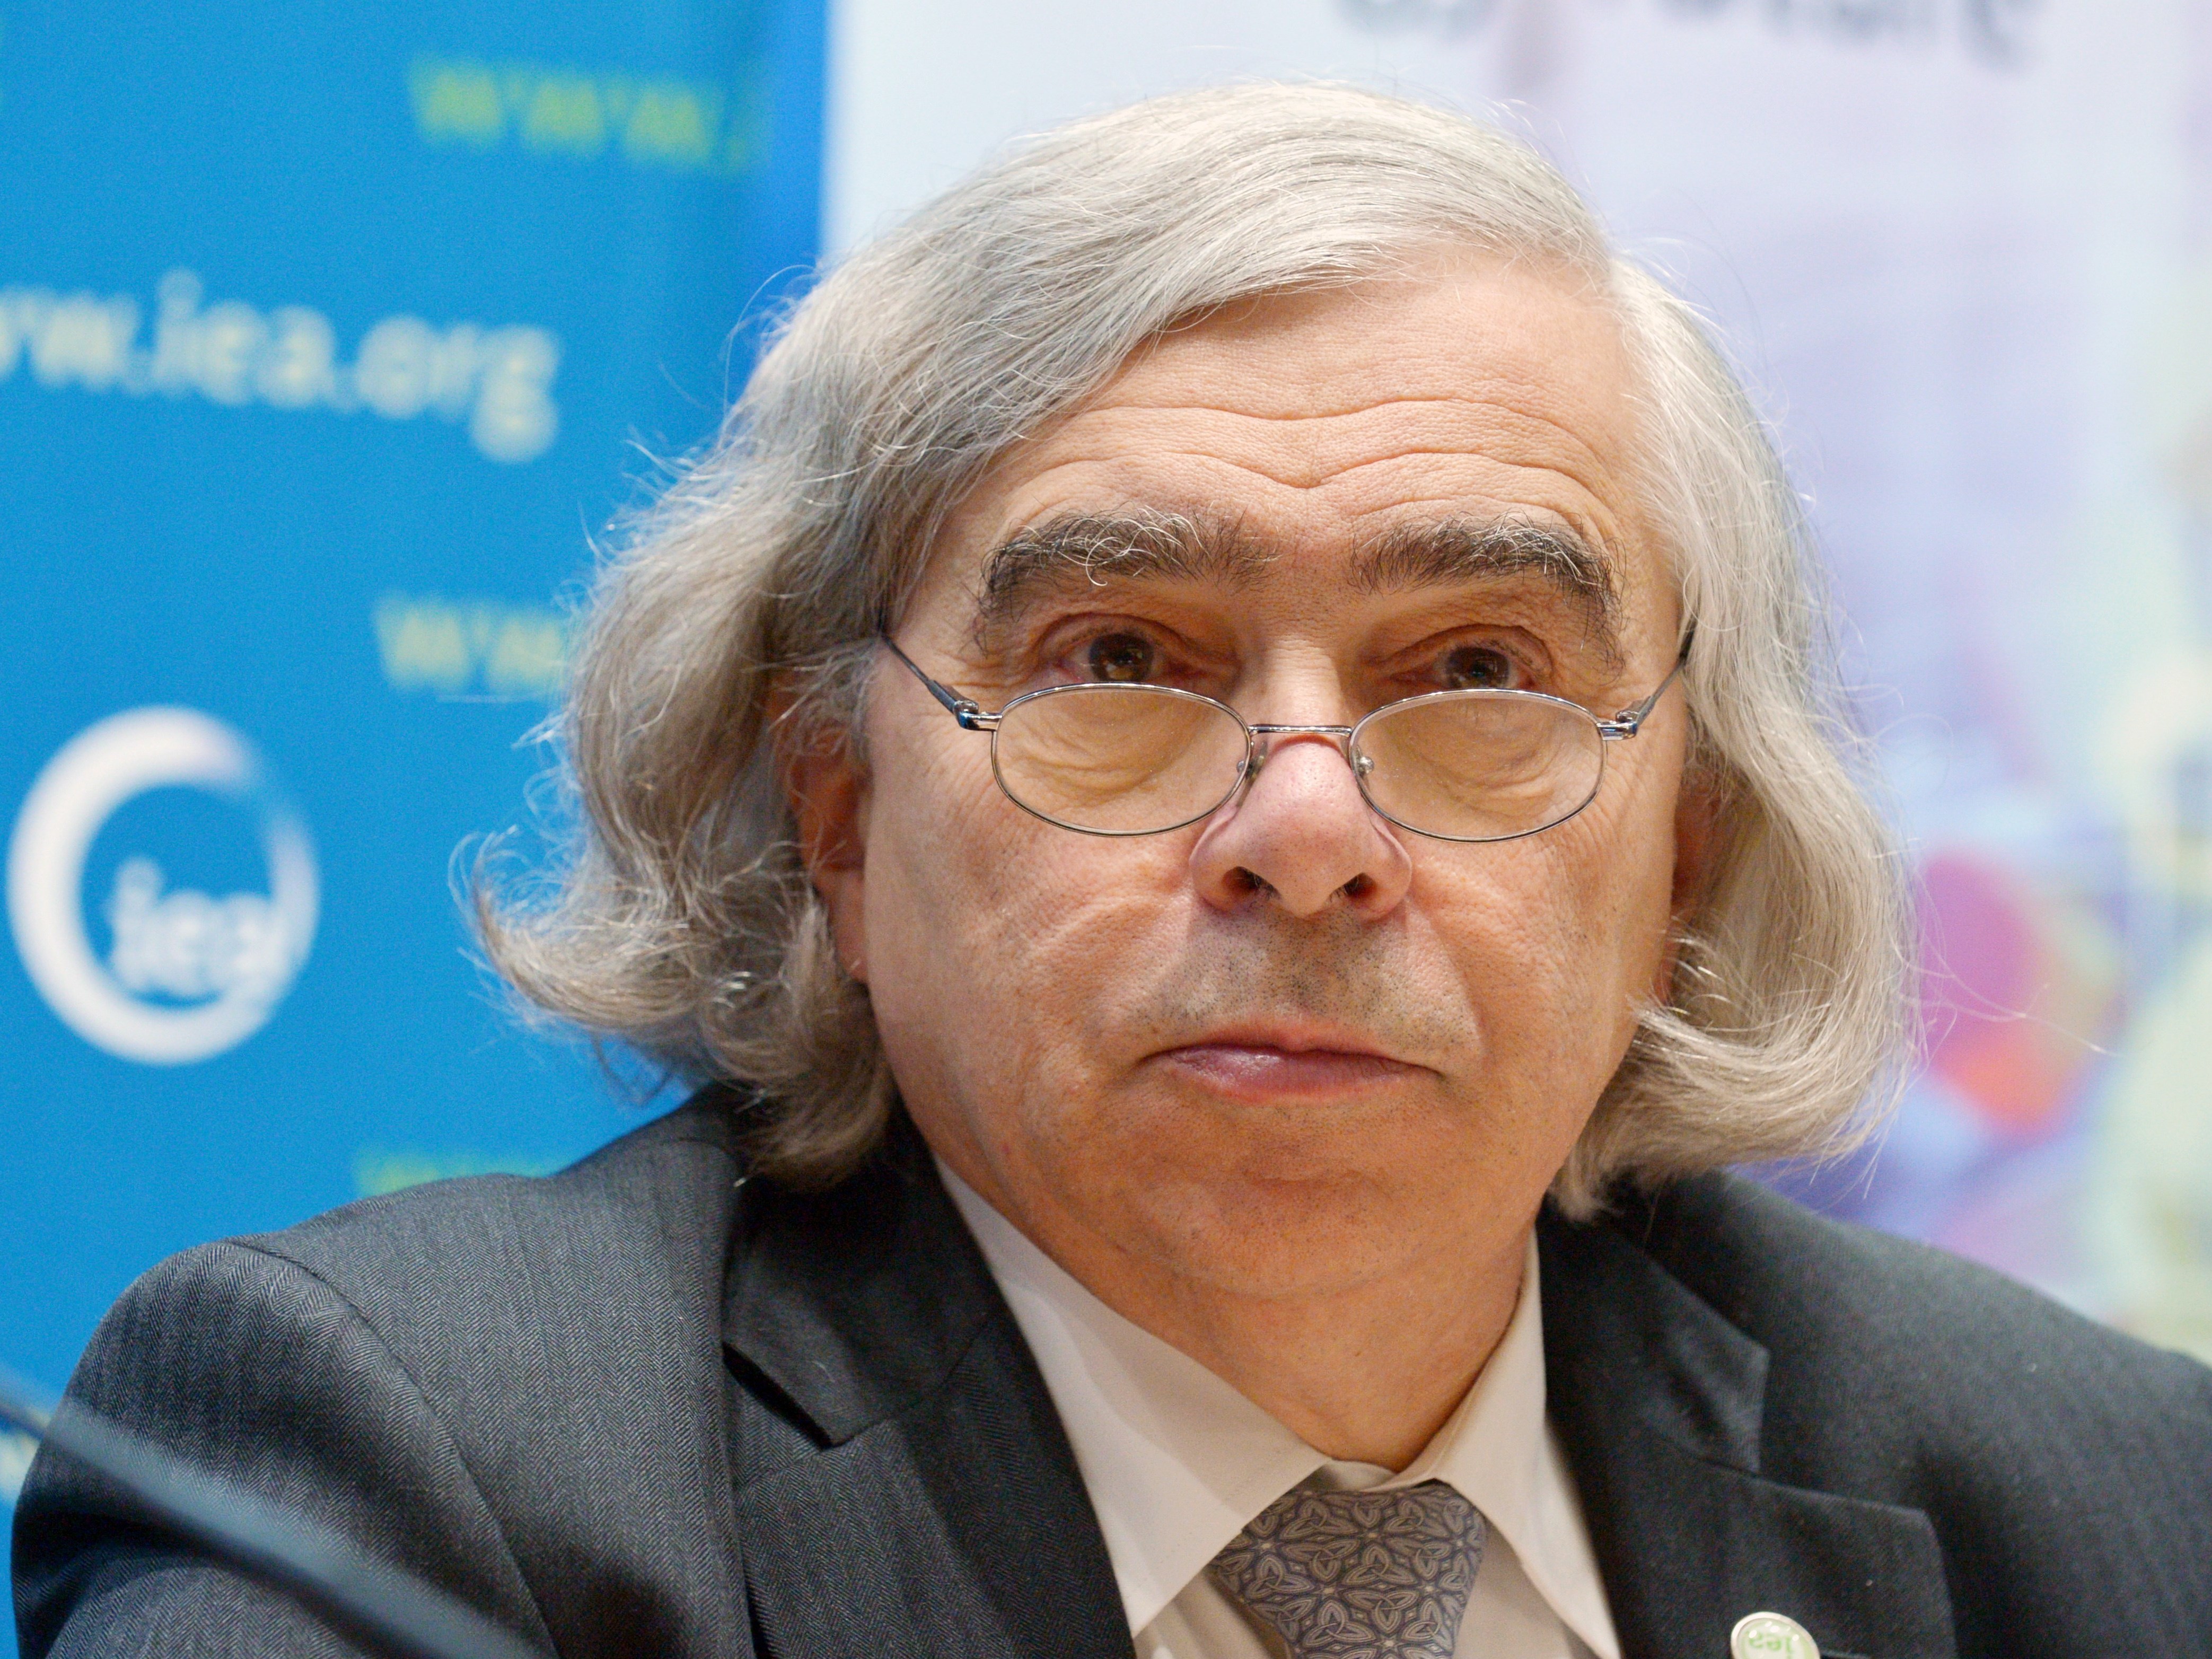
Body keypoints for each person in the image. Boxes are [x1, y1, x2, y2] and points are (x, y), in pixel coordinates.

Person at [15, 83, 2212, 1659]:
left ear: (1679, 851)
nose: (1310, 833)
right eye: (1119, 659)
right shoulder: (412, 1481)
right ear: (839, 817)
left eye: (1473, 668)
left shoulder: (2111, 1513)